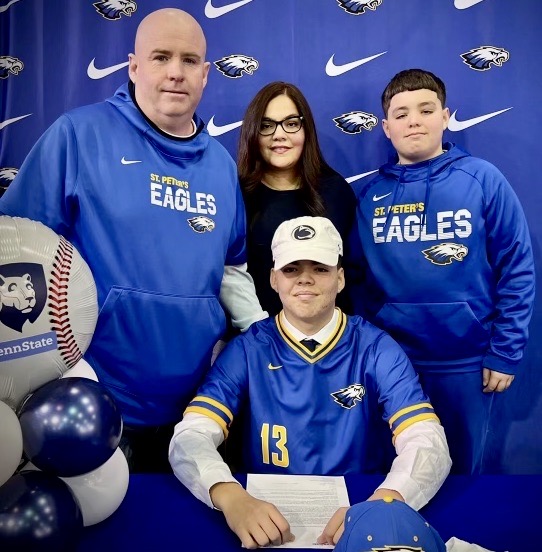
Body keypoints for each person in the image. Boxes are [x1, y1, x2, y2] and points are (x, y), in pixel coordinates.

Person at [0, 8, 266, 472]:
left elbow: (231, 270)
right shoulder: (78, 135)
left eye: (189, 60)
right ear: (134, 66)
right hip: (92, 401)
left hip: (196, 408)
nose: (175, 73)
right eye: (161, 57)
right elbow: (14, 250)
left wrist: (262, 334)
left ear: (206, 75)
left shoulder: (221, 166)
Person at [169, 216, 451, 549]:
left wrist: (385, 502)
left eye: (320, 268)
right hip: (265, 514)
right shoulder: (248, 348)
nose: (305, 279)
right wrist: (228, 494)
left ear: (340, 278)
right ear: (274, 279)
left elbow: (427, 439)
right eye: (291, 269)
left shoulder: (375, 347)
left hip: (357, 508)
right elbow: (191, 434)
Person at [348, 68, 535, 474]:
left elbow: (516, 268)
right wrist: (366, 353)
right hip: (392, 364)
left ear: (446, 116)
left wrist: (505, 352)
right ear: (385, 127)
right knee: (396, 475)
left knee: (464, 474)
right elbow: (356, 280)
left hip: (465, 363)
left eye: (426, 109)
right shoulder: (371, 196)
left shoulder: (482, 179)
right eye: (401, 113)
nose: (414, 120)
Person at [238, 81, 356, 316]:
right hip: (257, 341)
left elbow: (354, 274)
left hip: (328, 341)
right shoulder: (236, 195)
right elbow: (227, 276)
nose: (279, 135)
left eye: (291, 124)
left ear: (306, 130)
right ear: (253, 132)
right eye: (266, 125)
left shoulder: (336, 192)